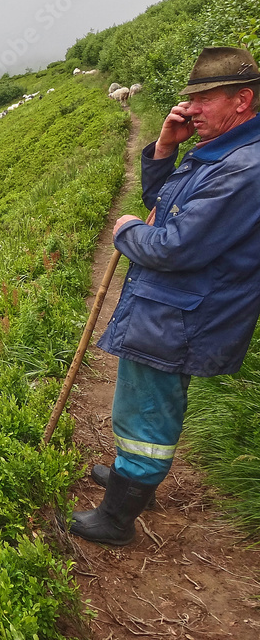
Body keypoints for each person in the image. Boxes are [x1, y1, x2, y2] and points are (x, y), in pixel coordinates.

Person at [70, 46, 260, 546]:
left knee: (146, 411)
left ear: (242, 100)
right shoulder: (223, 153)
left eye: (204, 100)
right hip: (174, 306)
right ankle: (134, 481)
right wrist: (162, 150)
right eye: (190, 100)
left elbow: (173, 245)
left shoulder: (244, 170)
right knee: (143, 404)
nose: (191, 109)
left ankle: (115, 520)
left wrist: (126, 231)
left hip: (182, 314)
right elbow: (166, 206)